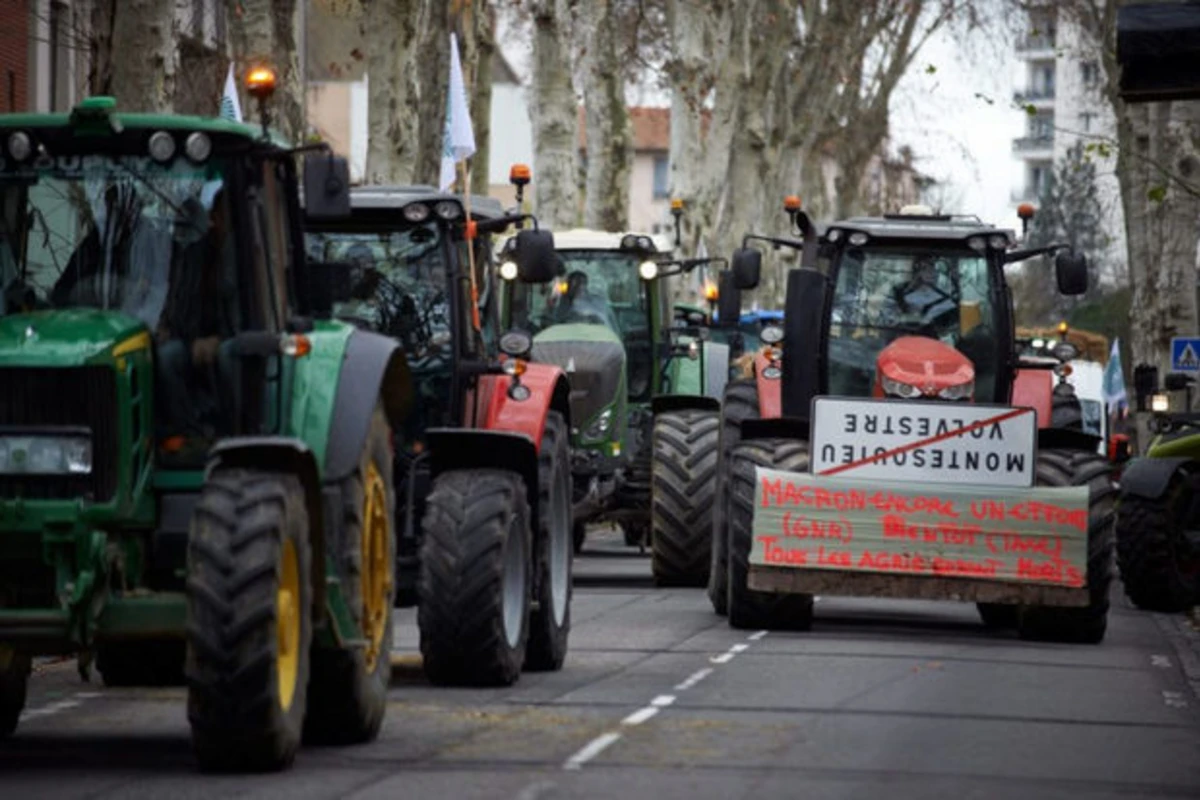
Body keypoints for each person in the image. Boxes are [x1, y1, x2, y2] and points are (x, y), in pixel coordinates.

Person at [154, 187, 239, 443]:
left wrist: (220, 338)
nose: (224, 223)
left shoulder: (249, 258)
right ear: (214, 216)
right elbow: (177, 298)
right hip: (191, 339)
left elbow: (249, 311)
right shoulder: (195, 255)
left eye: (231, 216)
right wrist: (165, 324)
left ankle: (221, 433)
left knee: (227, 355)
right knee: (163, 355)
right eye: (222, 215)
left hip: (234, 340)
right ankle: (185, 432)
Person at [888, 254, 958, 334]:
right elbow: (888, 321)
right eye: (925, 268)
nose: (932, 272)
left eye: (935, 268)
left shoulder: (948, 302)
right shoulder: (899, 296)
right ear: (918, 271)